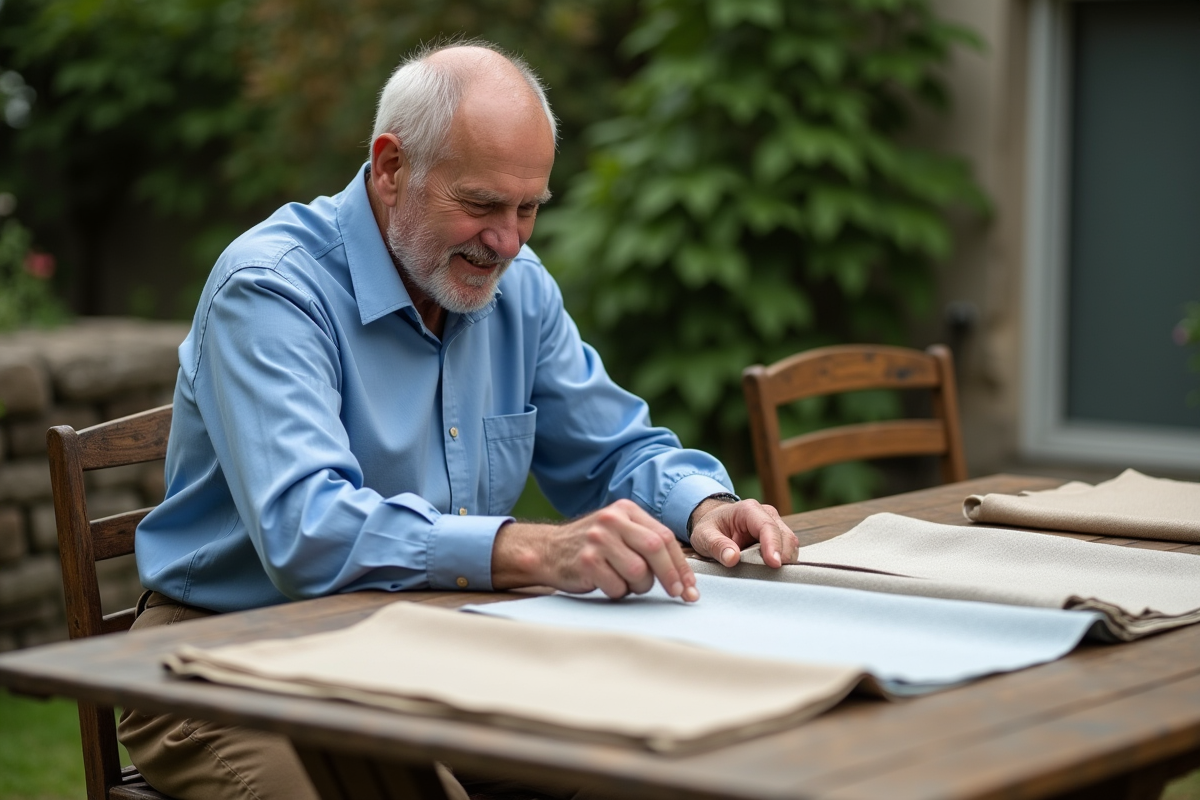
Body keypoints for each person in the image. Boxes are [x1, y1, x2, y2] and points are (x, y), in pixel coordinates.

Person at [118, 39, 800, 800]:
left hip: (437, 646)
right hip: (223, 660)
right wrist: (534, 552)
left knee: (670, 754)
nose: (506, 241)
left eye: (528, 209)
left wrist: (703, 506)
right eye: (480, 205)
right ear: (390, 168)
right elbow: (307, 530)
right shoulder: (271, 290)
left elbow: (612, 452)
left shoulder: (518, 288)